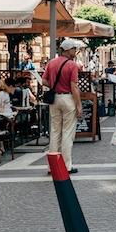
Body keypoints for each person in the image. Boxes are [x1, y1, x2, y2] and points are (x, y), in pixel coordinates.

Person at [42, 39, 84, 174]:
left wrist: (54, 87)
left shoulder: (51, 63)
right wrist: (79, 105)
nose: (75, 52)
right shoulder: (72, 65)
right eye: (74, 49)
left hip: (55, 99)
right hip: (68, 99)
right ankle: (66, 166)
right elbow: (74, 86)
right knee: (67, 133)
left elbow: (44, 80)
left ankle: (52, 166)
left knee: (55, 132)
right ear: (67, 50)